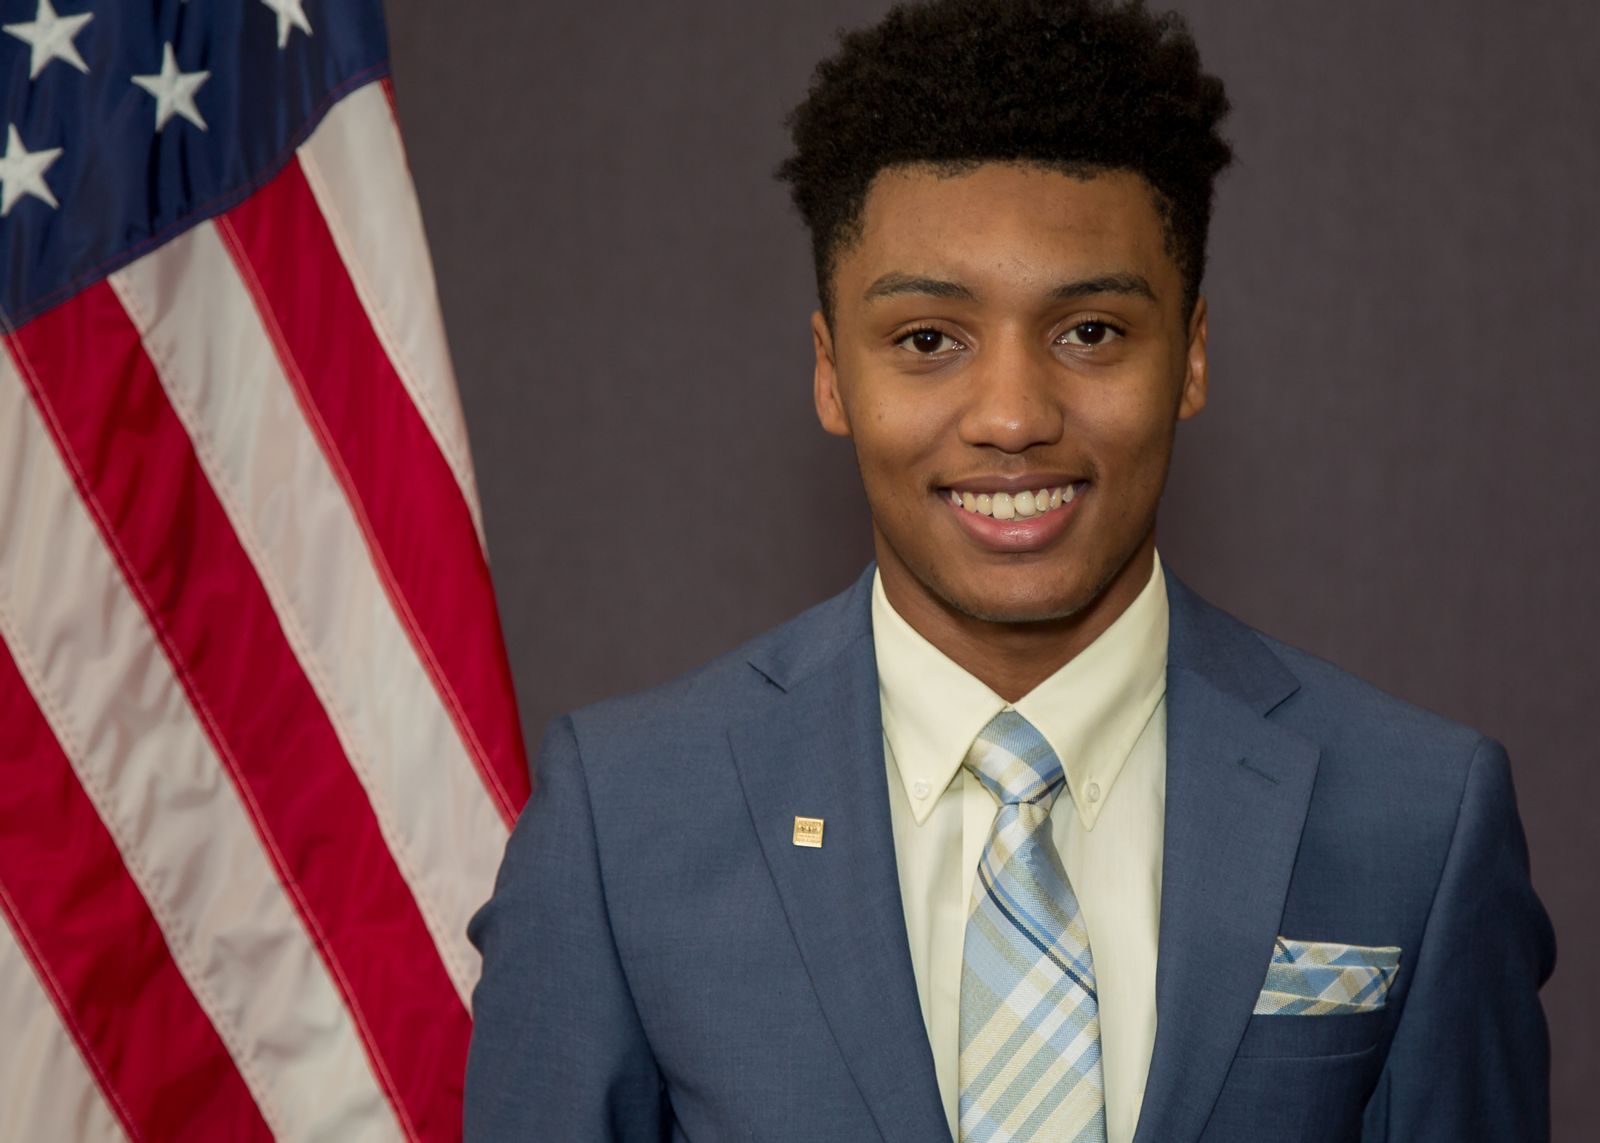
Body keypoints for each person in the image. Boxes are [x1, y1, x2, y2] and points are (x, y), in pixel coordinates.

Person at [463, 1, 1555, 1139]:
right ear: (832, 375)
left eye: (1088, 331)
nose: (1013, 416)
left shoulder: (1417, 816)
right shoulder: (625, 819)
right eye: (929, 339)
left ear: (1189, 354)